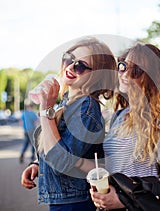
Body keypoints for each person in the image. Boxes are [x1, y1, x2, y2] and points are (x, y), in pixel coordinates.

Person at [90, 42, 160, 210]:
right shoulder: (118, 116)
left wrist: (124, 200)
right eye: (123, 67)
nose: (126, 75)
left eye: (136, 71)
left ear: (153, 78)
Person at [21, 37, 117, 211]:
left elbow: (61, 163)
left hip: (75, 203)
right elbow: (56, 145)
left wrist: (46, 108)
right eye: (68, 58)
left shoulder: (86, 108)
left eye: (80, 65)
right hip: (64, 200)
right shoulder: (68, 102)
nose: (71, 66)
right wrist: (37, 164)